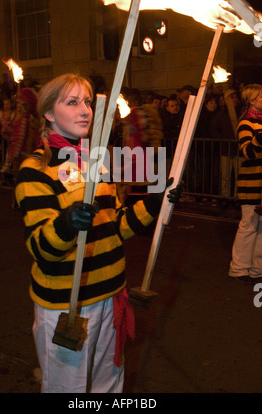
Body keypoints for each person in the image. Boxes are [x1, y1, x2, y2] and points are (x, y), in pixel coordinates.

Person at [15, 73, 182, 393]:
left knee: (108, 382)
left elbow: (115, 228)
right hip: (68, 306)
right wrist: (65, 225)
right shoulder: (35, 170)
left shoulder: (95, 163)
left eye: (88, 102)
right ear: (49, 113)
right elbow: (40, 248)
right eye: (73, 102)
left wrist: (154, 204)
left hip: (109, 297)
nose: (85, 111)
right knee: (69, 389)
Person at [228, 84, 262, 283]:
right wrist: (259, 140)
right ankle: (239, 268)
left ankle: (257, 269)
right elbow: (247, 153)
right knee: (249, 226)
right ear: (252, 100)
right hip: (251, 183)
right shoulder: (245, 124)